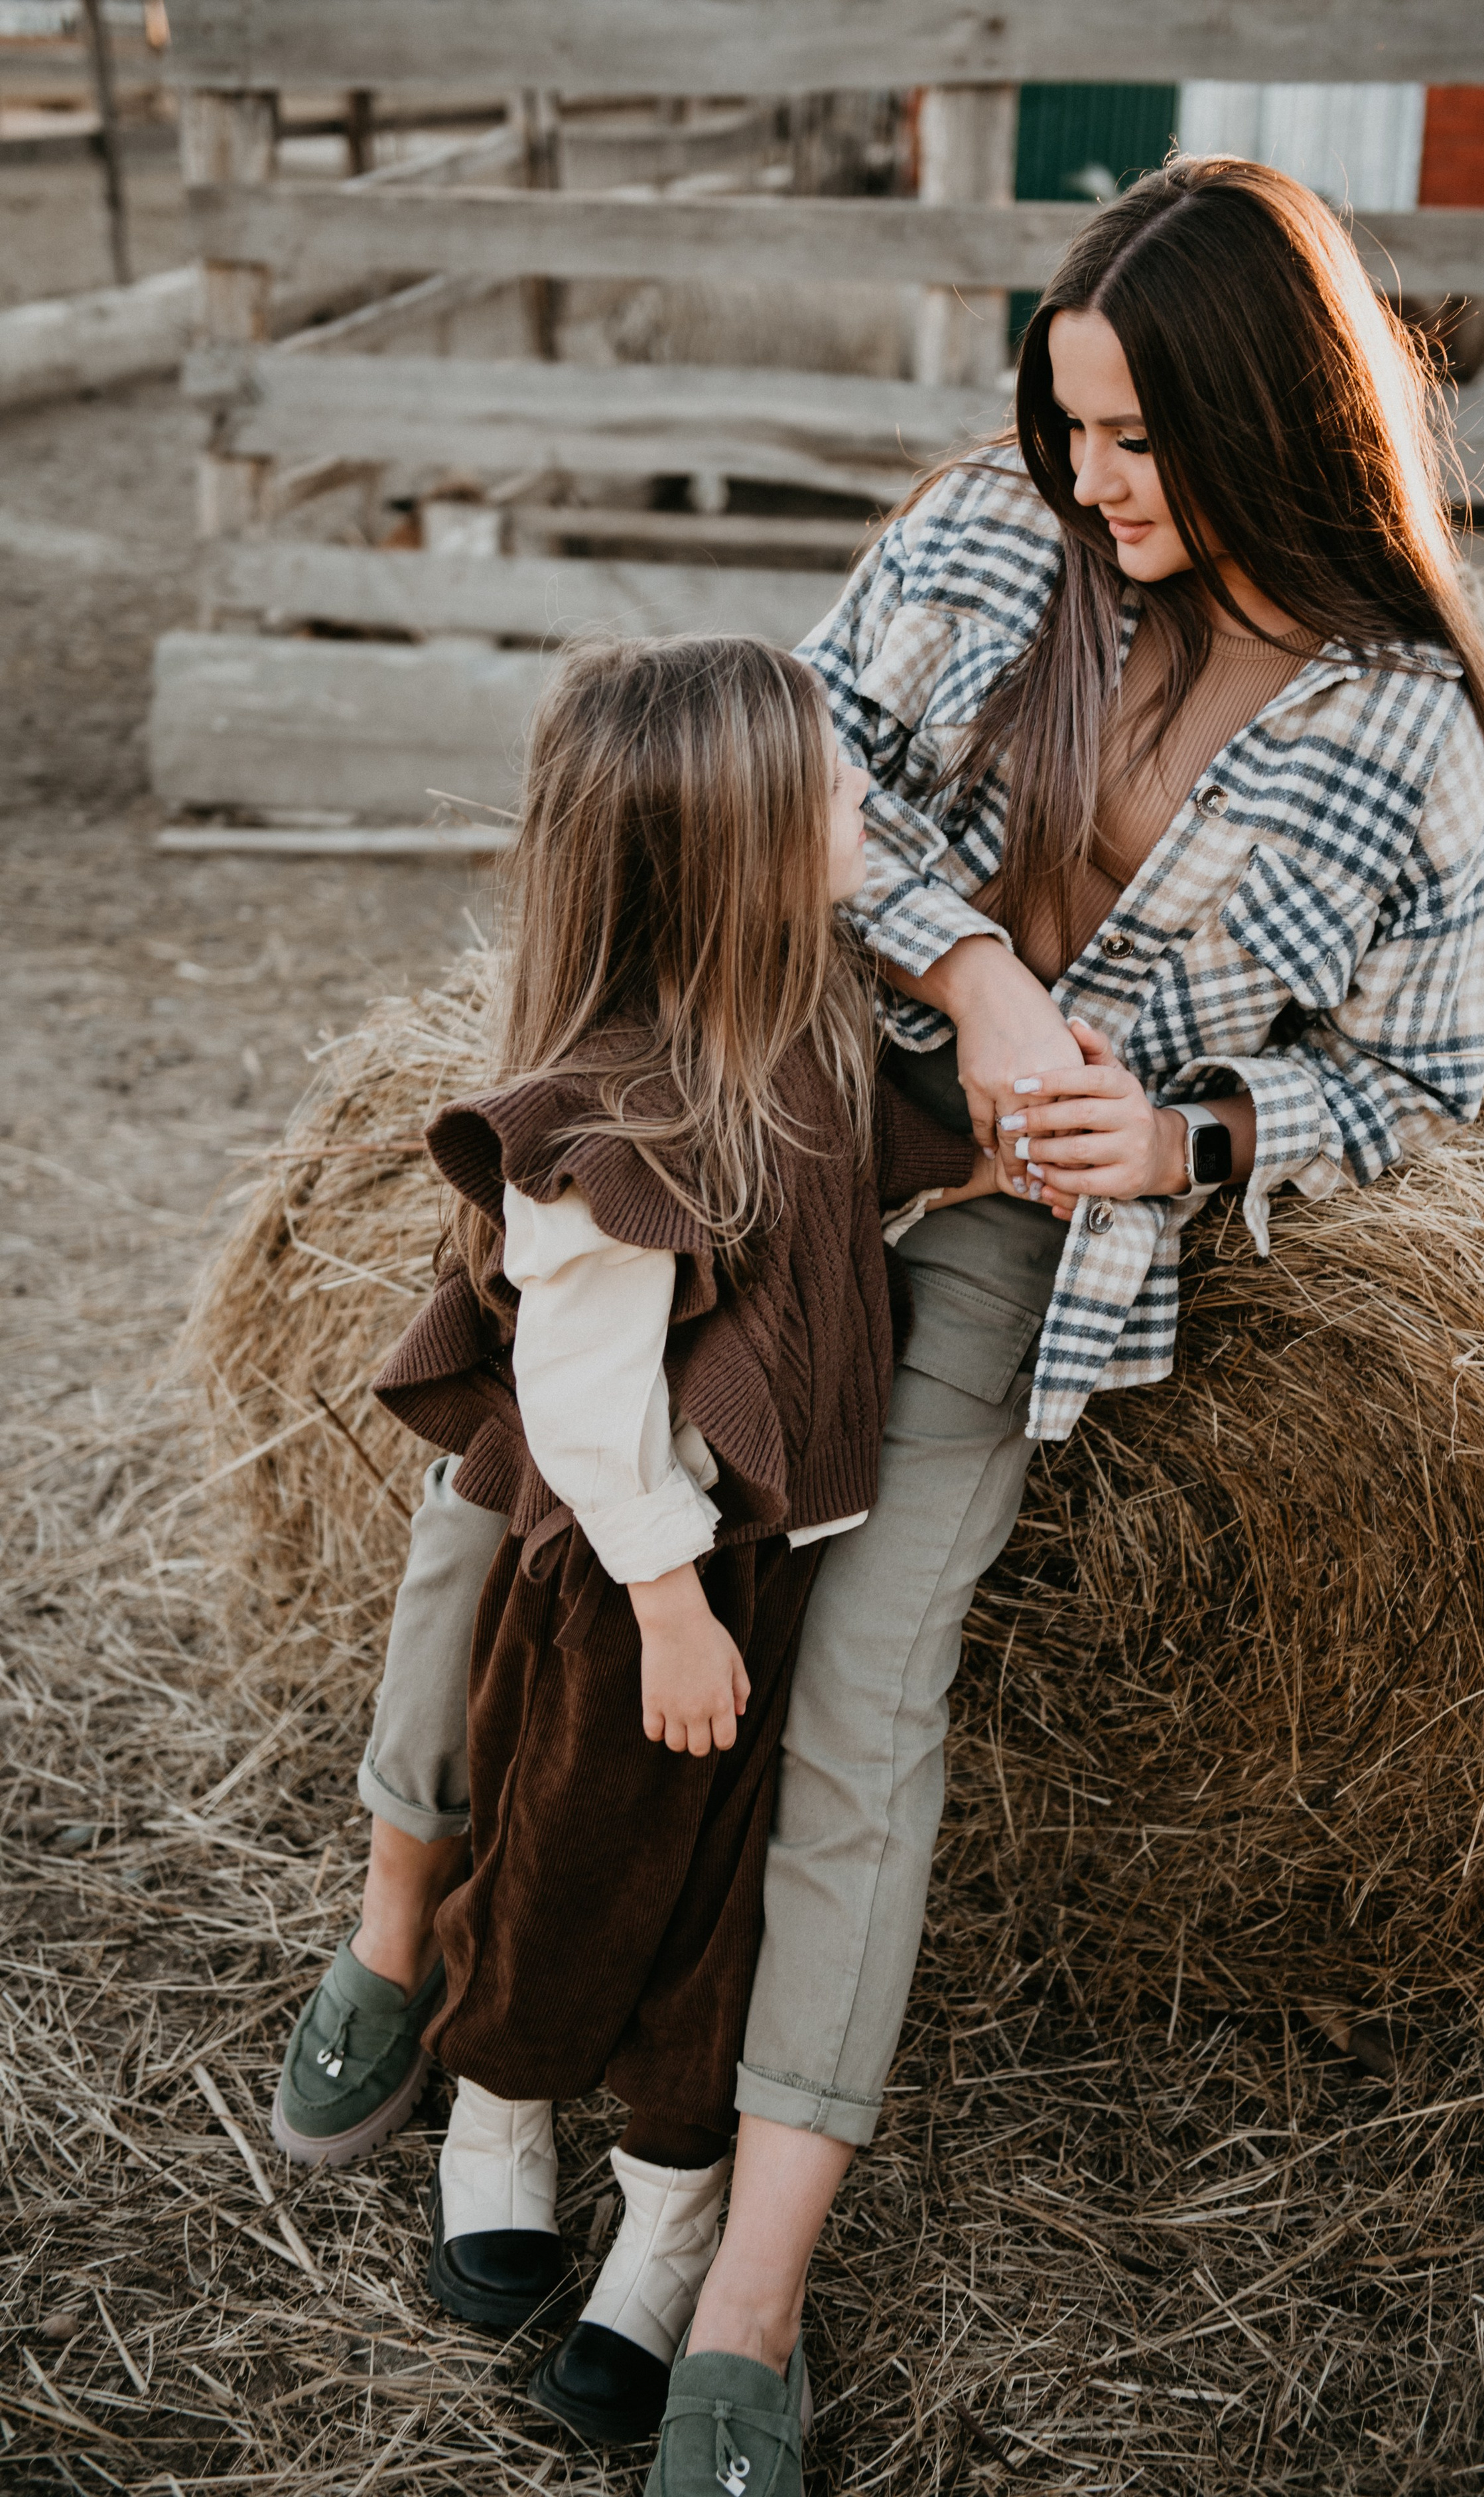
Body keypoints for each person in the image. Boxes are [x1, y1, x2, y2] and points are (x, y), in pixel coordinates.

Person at [277, 154, 1484, 2496]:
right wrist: (968, 959)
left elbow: (1424, 1066)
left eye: (1144, 441)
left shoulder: (1404, 738)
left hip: (1003, 1241)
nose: (1095, 485)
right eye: (1070, 429)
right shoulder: (987, 537)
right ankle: (398, 1916)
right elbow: (804, 763)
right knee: (524, 1464)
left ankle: (749, 2291)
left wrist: (1187, 1138)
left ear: (1278, 422)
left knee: (867, 1695)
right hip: (775, 1065)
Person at [283, 632, 982, 2449]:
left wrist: (1007, 1151)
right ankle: (502, 2092)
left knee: (719, 1909)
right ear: (740, 849)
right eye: (834, 792)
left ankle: (672, 2215)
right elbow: (587, 1400)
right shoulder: (622, 1111)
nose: (865, 811)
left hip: (764, 1567)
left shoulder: (807, 1016)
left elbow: (877, 1169)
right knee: (576, 1857)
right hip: (629, 1584)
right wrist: (668, 1605)